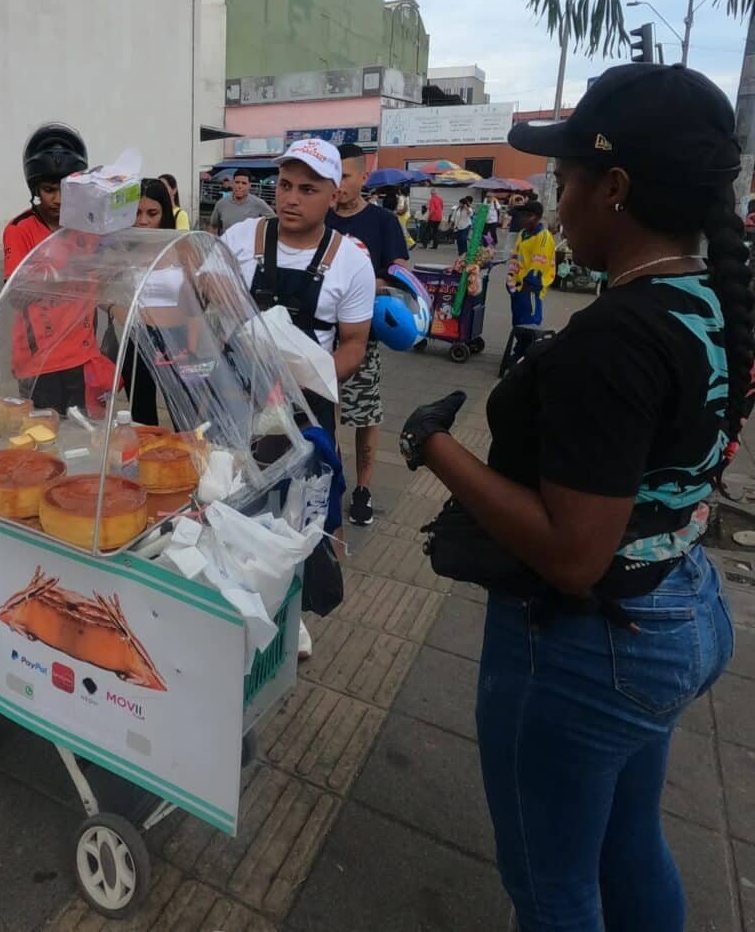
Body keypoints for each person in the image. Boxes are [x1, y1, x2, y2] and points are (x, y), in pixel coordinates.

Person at [398, 63, 749, 931]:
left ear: (616, 188)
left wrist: (432, 445)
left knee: (553, 888)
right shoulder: (710, 300)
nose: (557, 205)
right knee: (630, 844)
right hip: (679, 606)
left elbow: (570, 553)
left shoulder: (619, 338)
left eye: (564, 183)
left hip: (593, 643)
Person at [219, 138, 374, 442]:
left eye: (307, 190)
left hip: (308, 409)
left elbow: (354, 344)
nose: (291, 199)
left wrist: (307, 381)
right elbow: (201, 292)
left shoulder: (352, 262)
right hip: (236, 400)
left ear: (333, 196)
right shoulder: (240, 238)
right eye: (285, 185)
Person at [325, 143, 410, 527]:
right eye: (332, 175)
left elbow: (400, 275)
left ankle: (363, 489)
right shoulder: (319, 218)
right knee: (324, 414)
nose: (337, 184)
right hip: (318, 334)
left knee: (364, 417)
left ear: (364, 177)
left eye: (344, 175)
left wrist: (364, 284)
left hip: (362, 336)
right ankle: (332, 480)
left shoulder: (382, 223)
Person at [2, 122, 95, 413]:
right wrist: (62, 271)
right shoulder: (20, 230)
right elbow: (16, 293)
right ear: (35, 188)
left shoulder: (89, 229)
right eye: (49, 189)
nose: (58, 198)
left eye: (65, 189)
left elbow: (104, 281)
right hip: (38, 361)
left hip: (82, 357)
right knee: (42, 442)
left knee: (81, 441)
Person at [112, 179, 198, 426]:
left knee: (185, 415)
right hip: (138, 339)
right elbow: (99, 291)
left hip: (178, 339)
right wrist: (118, 310)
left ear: (165, 214)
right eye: (137, 212)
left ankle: (186, 462)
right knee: (141, 418)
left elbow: (194, 303)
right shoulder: (123, 250)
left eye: (152, 213)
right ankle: (148, 462)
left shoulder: (182, 246)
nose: (143, 221)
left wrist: (191, 348)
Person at [507, 199, 557, 355]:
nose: (521, 219)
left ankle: (525, 353)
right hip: (518, 285)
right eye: (521, 215)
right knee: (518, 322)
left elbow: (538, 265)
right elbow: (516, 256)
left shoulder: (543, 237)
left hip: (531, 288)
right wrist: (511, 279)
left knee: (530, 323)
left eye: (525, 216)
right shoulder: (523, 234)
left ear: (535, 217)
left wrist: (528, 286)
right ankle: (520, 349)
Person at [210, 170, 274, 235]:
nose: (240, 186)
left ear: (249, 186)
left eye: (244, 183)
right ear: (232, 184)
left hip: (249, 244)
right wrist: (215, 243)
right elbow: (213, 226)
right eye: (237, 182)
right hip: (226, 244)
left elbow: (275, 222)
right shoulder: (221, 204)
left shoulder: (258, 203)